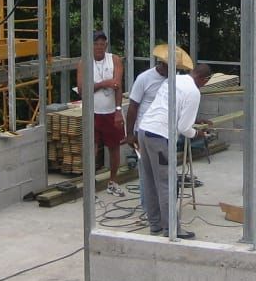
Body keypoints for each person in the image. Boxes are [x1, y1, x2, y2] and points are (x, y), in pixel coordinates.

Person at [136, 60, 213, 239]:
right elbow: (185, 127)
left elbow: (171, 109)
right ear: (205, 80)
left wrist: (196, 121)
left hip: (144, 130)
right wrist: (199, 134)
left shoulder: (173, 79)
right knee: (167, 184)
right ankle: (172, 229)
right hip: (159, 137)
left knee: (149, 181)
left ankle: (155, 226)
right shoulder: (194, 92)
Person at [122, 45, 184, 220]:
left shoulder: (175, 79)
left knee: (164, 174)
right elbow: (133, 107)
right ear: (162, 64)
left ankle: (159, 213)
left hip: (166, 134)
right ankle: (149, 210)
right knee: (148, 175)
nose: (173, 71)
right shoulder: (145, 79)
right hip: (145, 132)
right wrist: (130, 134)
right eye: (170, 67)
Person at [75, 30, 124, 193]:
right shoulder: (84, 62)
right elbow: (82, 90)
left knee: (114, 147)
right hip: (92, 112)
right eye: (96, 44)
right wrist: (103, 83)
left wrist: (118, 110)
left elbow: (117, 85)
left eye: (102, 44)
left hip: (110, 111)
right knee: (92, 147)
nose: (99, 47)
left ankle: (113, 181)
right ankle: (90, 183)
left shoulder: (114, 60)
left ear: (106, 45)